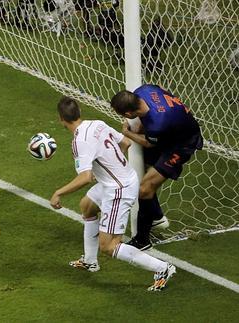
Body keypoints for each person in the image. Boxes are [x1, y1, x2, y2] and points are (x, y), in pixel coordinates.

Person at [50, 97, 176, 291]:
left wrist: (58, 193)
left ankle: (162, 269)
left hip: (118, 189)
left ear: (61, 119)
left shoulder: (79, 142)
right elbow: (125, 142)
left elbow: (85, 177)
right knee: (87, 205)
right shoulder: (97, 124)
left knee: (109, 245)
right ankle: (90, 261)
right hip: (121, 179)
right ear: (80, 111)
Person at [110, 85, 203, 250]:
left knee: (145, 189)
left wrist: (127, 132)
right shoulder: (144, 90)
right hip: (170, 130)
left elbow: (148, 142)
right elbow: (161, 93)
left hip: (181, 144)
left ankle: (142, 240)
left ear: (128, 114)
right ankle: (157, 217)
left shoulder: (158, 124)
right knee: (141, 171)